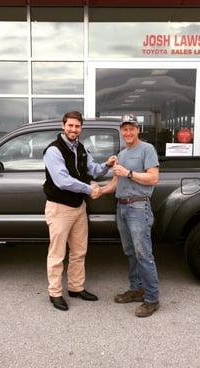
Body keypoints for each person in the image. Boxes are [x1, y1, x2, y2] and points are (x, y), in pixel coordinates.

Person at [43, 111, 117, 311]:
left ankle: (76, 288)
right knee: (57, 254)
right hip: (59, 208)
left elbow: (92, 170)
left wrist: (107, 165)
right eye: (70, 126)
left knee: (79, 252)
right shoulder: (54, 151)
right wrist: (89, 189)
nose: (73, 130)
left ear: (81, 128)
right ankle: (55, 293)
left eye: (77, 126)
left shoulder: (81, 148)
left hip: (78, 208)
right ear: (63, 125)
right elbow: (62, 181)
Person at [94, 113, 160, 317]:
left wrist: (129, 173)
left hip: (139, 207)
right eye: (125, 128)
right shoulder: (121, 154)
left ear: (138, 130)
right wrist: (100, 190)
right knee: (130, 251)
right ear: (122, 131)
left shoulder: (147, 149)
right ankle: (136, 289)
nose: (128, 132)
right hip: (122, 207)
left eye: (132, 128)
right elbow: (116, 183)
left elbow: (153, 178)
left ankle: (152, 298)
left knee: (143, 253)